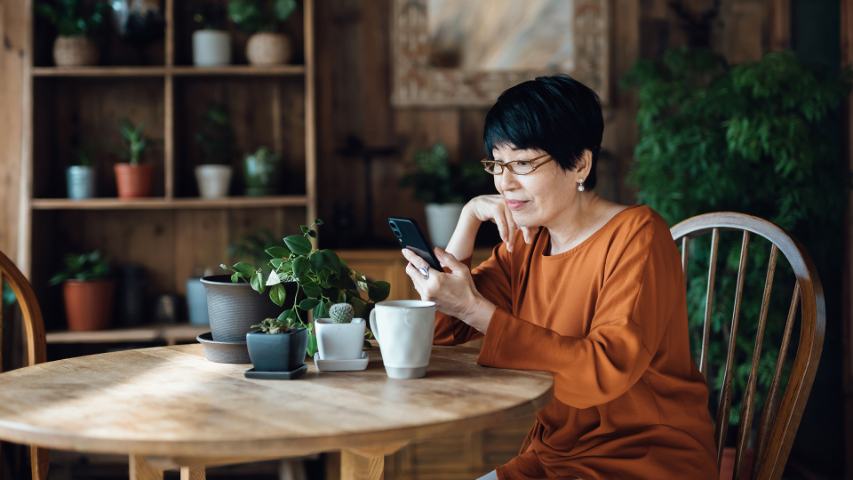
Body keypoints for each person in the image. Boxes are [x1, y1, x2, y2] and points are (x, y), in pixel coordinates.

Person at [401, 75, 717, 479]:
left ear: (580, 164)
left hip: (644, 459)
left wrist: (476, 310)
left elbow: (603, 370)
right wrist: (467, 219)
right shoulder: (529, 242)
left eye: (523, 164)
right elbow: (440, 328)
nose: (505, 182)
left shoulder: (638, 236)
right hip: (555, 457)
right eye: (498, 164)